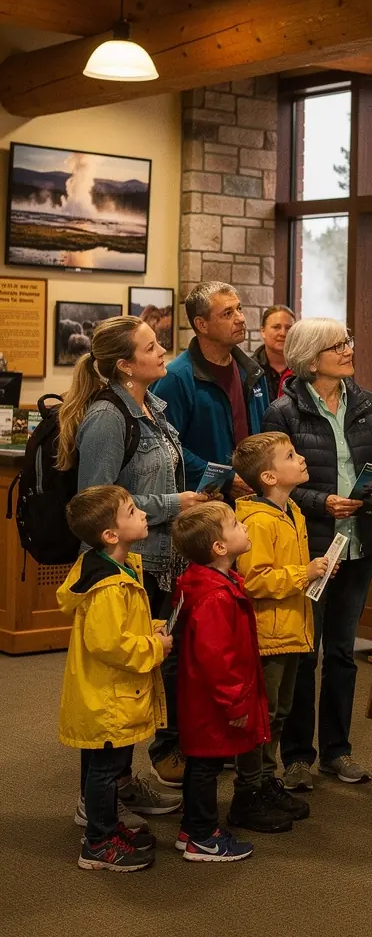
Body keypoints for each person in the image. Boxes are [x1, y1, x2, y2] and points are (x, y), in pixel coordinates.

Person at [59, 315, 206, 796]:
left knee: (140, 677)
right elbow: (95, 505)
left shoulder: (154, 408)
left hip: (156, 561)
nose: (163, 350)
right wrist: (172, 504)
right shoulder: (107, 417)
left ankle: (120, 783)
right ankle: (98, 797)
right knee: (115, 682)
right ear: (124, 364)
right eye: (151, 346)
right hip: (123, 568)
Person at [261, 317, 372, 790]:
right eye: (336, 345)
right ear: (309, 357)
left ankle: (337, 751)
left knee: (342, 654)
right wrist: (322, 502)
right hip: (311, 549)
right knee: (305, 653)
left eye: (347, 341)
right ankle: (298, 756)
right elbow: (274, 484)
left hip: (359, 544)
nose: (347, 349)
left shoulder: (366, 404)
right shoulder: (283, 412)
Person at [57, 485, 172, 872]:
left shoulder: (120, 568)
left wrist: (151, 629)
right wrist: (154, 648)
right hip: (108, 697)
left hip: (107, 694)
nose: (142, 514)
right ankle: (98, 843)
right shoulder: (108, 586)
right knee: (106, 770)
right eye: (132, 511)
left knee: (101, 766)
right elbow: (111, 645)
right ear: (111, 535)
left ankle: (104, 826)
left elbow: (125, 627)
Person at [230, 433, 335, 828]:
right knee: (262, 715)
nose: (302, 458)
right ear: (270, 476)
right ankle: (247, 793)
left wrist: (314, 573)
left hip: (292, 628)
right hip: (267, 635)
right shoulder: (257, 521)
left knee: (279, 714)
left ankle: (265, 781)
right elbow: (254, 580)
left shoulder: (291, 510)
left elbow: (288, 571)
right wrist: (301, 573)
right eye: (291, 456)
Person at [172, 502, 269, 862]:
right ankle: (202, 836)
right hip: (212, 699)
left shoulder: (220, 583)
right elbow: (219, 659)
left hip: (206, 696)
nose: (244, 527)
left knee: (203, 762)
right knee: (206, 764)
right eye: (235, 524)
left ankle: (192, 827)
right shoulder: (215, 596)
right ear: (219, 548)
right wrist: (235, 704)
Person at [152, 281, 270, 497]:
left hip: (254, 496)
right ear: (202, 324)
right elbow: (165, 447)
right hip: (204, 506)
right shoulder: (175, 378)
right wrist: (224, 479)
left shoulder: (253, 372)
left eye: (239, 309)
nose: (240, 318)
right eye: (227, 313)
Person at [253, 304, 296, 400]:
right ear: (263, 331)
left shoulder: (303, 371)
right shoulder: (249, 370)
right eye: (276, 327)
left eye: (288, 328)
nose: (283, 333)